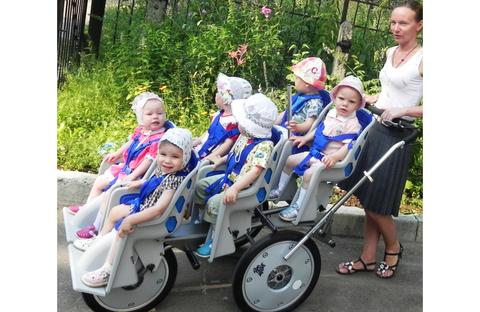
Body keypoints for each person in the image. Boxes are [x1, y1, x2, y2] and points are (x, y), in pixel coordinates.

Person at [335, 0, 423, 279]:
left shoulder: (426, 58)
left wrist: (403, 110)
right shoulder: (390, 52)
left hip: (397, 135)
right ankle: (368, 258)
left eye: (404, 23)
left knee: (378, 201)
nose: (396, 28)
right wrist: (374, 99)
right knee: (366, 195)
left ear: (419, 25)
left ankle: (394, 247)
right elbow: (390, 89)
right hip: (375, 129)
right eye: (393, 22)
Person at [78, 128, 193, 289]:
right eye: (163, 154)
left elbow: (159, 209)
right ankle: (99, 242)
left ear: (185, 158)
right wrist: (140, 183)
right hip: (144, 205)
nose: (167, 160)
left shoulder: (174, 180)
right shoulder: (165, 169)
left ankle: (108, 270)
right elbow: (156, 180)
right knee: (115, 211)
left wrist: (131, 220)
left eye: (175, 157)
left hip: (152, 217)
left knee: (122, 232)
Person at [268, 76, 365, 221]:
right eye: (341, 99)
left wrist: (334, 157)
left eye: (351, 102)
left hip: (330, 162)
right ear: (335, 98)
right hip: (317, 153)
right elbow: (319, 130)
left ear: (357, 105)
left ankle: (299, 206)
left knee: (308, 175)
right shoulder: (332, 114)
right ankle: (280, 189)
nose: (345, 104)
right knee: (290, 160)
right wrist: (305, 138)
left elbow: (347, 147)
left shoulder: (352, 124)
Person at [193, 93, 278, 257]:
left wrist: (235, 189)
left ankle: (215, 237)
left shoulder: (263, 146)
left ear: (249, 127)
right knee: (200, 186)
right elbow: (235, 154)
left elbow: (255, 170)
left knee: (214, 203)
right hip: (229, 178)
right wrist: (221, 159)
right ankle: (206, 219)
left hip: (242, 187)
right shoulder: (245, 137)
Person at [65, 92, 168, 216]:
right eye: (149, 114)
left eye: (159, 113)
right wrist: (118, 153)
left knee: (109, 194)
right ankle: (87, 208)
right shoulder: (142, 131)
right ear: (140, 117)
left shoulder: (159, 139)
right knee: (99, 181)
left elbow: (149, 160)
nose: (155, 117)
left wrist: (133, 175)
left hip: (138, 176)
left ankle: (97, 225)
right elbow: (131, 141)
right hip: (126, 168)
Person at [193, 73, 253, 161]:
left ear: (225, 100)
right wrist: (195, 143)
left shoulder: (232, 122)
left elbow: (227, 145)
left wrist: (206, 159)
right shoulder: (219, 115)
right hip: (199, 149)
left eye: (218, 92)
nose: (216, 94)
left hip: (208, 155)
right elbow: (209, 132)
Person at [275, 57, 330, 136]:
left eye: (297, 78)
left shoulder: (315, 102)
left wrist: (297, 128)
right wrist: (272, 124)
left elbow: (310, 123)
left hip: (294, 135)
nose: (295, 81)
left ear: (307, 82)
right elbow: (286, 113)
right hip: (284, 130)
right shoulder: (301, 96)